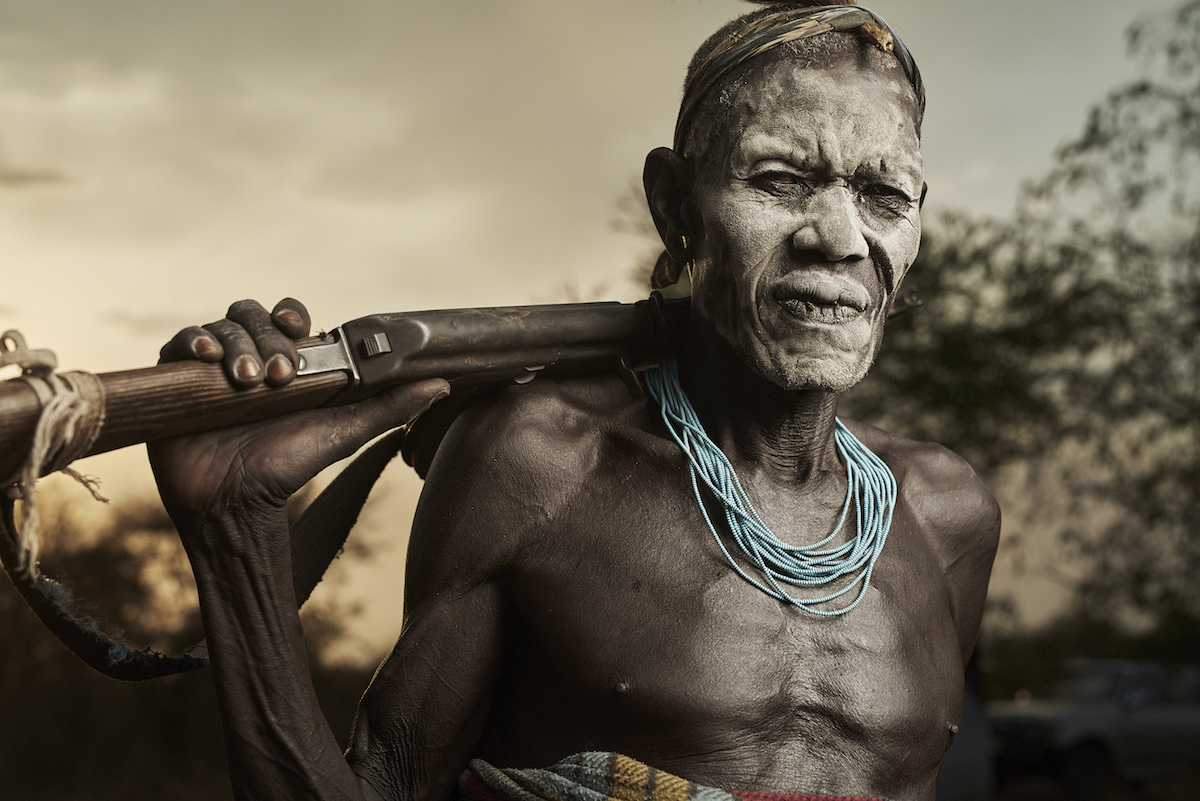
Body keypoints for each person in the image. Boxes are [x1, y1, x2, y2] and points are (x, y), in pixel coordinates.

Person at [150, 3, 1000, 800]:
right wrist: (239, 537)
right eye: (779, 180)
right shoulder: (537, 462)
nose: (841, 239)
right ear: (676, 206)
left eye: (884, 196)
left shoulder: (946, 516)